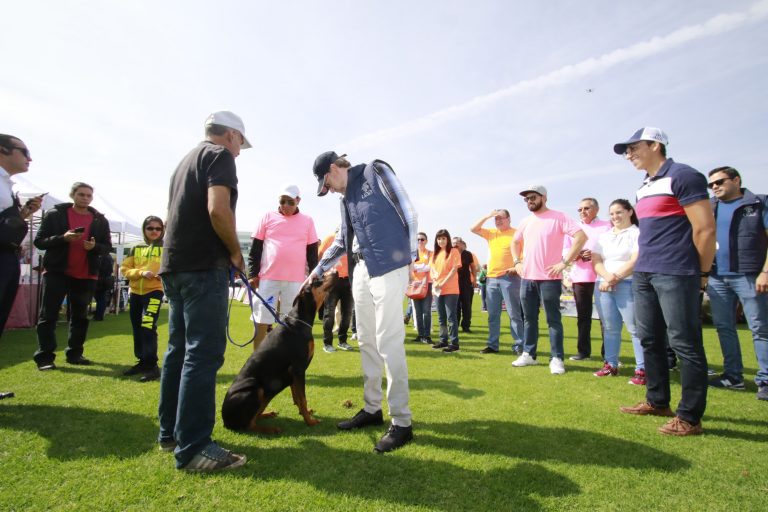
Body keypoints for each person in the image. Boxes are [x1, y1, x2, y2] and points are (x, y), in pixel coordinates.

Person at [157, 111, 251, 471]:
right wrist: (235, 252)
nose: (240, 151)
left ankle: (171, 434)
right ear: (230, 135)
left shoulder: (184, 162)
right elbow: (218, 209)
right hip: (202, 267)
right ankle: (195, 446)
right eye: (240, 142)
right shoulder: (219, 155)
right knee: (203, 355)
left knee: (177, 352)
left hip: (176, 265)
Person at [308, 151, 416, 453]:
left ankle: (402, 422)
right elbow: (343, 241)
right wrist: (316, 270)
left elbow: (407, 210)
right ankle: (372, 409)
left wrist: (412, 257)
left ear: (333, 169)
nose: (330, 190)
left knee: (387, 339)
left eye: (327, 183)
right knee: (366, 339)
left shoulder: (376, 170)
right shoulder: (345, 201)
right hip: (361, 269)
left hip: (390, 265)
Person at [615, 127, 715, 436]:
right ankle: (657, 401)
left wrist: (700, 274)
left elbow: (705, 229)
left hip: (677, 272)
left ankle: (690, 417)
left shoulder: (684, 176)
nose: (629, 154)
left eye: (633, 148)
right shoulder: (643, 187)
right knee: (650, 339)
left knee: (684, 343)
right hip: (645, 271)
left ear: (656, 145)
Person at [33, 182, 112, 370]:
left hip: (86, 274)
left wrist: (94, 247)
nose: (85, 198)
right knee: (48, 315)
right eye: (81, 194)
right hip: (57, 272)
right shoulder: (55, 214)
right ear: (72, 195)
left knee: (80, 317)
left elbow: (107, 246)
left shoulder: (99, 219)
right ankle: (45, 357)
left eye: (88, 195)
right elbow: (39, 242)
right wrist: (63, 238)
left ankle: (75, 354)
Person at [705, 166, 768, 401]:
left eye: (719, 182)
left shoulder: (758, 204)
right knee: (724, 327)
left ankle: (765, 380)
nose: (715, 187)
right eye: (711, 184)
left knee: (760, 328)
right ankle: (733, 377)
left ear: (736, 180)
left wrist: (766, 271)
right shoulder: (710, 207)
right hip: (717, 276)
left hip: (749, 275)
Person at [511, 186, 586, 375]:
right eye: (526, 199)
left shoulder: (559, 216)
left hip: (550, 278)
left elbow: (581, 236)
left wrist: (565, 262)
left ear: (544, 197)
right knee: (529, 319)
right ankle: (529, 354)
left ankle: (557, 358)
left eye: (533, 197)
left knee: (553, 320)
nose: (529, 201)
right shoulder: (526, 221)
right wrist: (517, 261)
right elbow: (514, 242)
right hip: (527, 277)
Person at [248, 184, 318, 349]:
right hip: (268, 278)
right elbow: (255, 249)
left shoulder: (307, 221)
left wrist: (314, 277)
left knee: (292, 322)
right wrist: (252, 274)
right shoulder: (267, 217)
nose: (285, 206)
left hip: (296, 281)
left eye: (290, 202)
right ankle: (257, 362)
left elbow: (312, 253)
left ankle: (286, 362)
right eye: (282, 201)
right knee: (262, 320)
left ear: (298, 201)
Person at [1, 134, 42, 401]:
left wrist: (24, 213)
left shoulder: (7, 185)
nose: (29, 158)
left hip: (8, 256)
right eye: (23, 151)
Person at [591, 199, 644, 383]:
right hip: (603, 285)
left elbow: (635, 260)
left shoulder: (637, 233)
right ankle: (611, 365)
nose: (615, 217)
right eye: (612, 214)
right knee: (610, 328)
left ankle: (642, 370)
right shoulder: (604, 236)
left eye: (619, 212)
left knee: (635, 328)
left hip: (627, 284)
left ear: (630, 212)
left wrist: (614, 278)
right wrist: (606, 277)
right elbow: (596, 260)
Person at [470, 209, 524, 354]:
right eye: (496, 219)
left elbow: (525, 253)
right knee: (493, 315)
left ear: (509, 218)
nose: (498, 221)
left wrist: (516, 266)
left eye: (501, 218)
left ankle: (519, 346)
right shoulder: (492, 233)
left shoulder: (517, 233)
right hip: (491, 279)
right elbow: (473, 228)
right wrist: (487, 216)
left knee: (514, 314)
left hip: (510, 278)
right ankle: (493, 345)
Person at [565, 198, 611, 361]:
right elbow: (565, 253)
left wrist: (596, 255)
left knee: (606, 317)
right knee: (583, 317)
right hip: (581, 277)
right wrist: (577, 255)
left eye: (586, 208)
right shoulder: (574, 229)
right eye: (580, 209)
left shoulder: (607, 225)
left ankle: (609, 354)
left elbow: (613, 248)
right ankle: (583, 352)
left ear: (596, 210)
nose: (582, 212)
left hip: (603, 276)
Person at [120, 215, 165, 382]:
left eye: (158, 228)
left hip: (154, 293)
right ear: (144, 229)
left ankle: (152, 366)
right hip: (135, 293)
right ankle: (142, 361)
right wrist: (140, 273)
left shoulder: (167, 247)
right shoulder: (136, 247)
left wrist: (163, 275)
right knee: (137, 327)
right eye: (150, 228)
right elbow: (124, 269)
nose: (154, 231)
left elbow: (174, 266)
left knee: (148, 326)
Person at [318, 229, 354, 353]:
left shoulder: (353, 238)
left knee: (347, 312)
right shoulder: (329, 238)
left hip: (348, 280)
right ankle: (327, 343)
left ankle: (342, 341)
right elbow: (320, 256)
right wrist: (324, 274)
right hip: (332, 280)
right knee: (329, 311)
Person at [431, 229, 461, 352]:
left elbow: (454, 270)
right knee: (441, 317)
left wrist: (442, 282)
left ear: (447, 239)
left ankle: (454, 343)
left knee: (451, 317)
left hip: (451, 289)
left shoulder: (454, 251)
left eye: (443, 238)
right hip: (438, 290)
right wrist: (435, 280)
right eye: (439, 239)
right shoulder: (435, 254)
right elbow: (432, 270)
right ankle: (443, 340)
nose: (441, 241)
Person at [411, 232, 433, 344]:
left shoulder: (430, 253)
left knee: (426, 311)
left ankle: (427, 335)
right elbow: (409, 267)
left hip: (427, 285)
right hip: (415, 285)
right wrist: (421, 267)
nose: (420, 241)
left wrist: (416, 267)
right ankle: (420, 335)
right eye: (418, 239)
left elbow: (430, 267)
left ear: (426, 241)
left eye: (422, 239)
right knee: (418, 312)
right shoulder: (412, 254)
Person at [453, 237, 478, 334]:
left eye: (457, 242)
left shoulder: (468, 254)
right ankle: (455, 325)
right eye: (453, 242)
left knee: (467, 305)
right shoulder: (450, 253)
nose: (455, 244)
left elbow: (473, 267)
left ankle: (466, 326)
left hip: (466, 283)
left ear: (461, 243)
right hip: (453, 283)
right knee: (455, 306)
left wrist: (475, 279)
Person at [92, 253, 115, 321]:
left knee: (100, 298)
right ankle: (99, 314)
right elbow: (111, 270)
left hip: (99, 279)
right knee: (102, 298)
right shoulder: (109, 257)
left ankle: (99, 315)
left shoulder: (101, 256)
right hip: (106, 279)